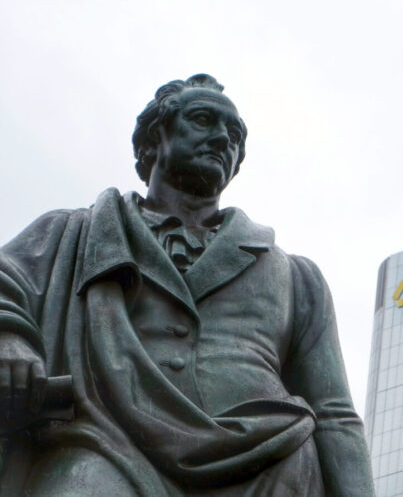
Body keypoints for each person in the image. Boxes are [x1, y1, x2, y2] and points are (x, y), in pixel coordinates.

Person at [0, 74, 373, 496]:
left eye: (234, 135)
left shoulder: (298, 277)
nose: (221, 139)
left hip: (268, 465)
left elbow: (335, 414)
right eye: (202, 120)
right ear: (152, 140)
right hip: (109, 444)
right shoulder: (75, 234)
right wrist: (9, 337)